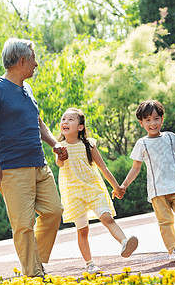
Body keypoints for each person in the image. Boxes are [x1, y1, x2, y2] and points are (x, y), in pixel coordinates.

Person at [0, 38, 66, 277]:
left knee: (54, 211)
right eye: (33, 58)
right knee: (24, 225)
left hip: (39, 164)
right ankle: (34, 274)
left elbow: (38, 124)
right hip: (12, 169)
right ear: (21, 61)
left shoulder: (27, 89)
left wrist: (55, 143)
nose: (36, 64)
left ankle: (35, 261)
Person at [119, 100, 175, 262]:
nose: (153, 123)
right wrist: (124, 185)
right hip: (157, 191)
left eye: (156, 118)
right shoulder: (142, 143)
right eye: (147, 120)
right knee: (165, 221)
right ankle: (173, 251)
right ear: (141, 123)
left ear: (162, 119)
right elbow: (135, 168)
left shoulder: (170, 137)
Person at [56, 108, 138, 274]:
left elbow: (103, 168)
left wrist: (117, 187)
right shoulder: (59, 146)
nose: (65, 122)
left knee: (106, 217)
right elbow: (59, 164)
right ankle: (90, 263)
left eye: (71, 119)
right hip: (73, 192)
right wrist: (60, 156)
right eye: (64, 119)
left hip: (93, 188)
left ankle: (124, 242)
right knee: (83, 230)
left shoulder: (89, 144)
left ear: (80, 127)